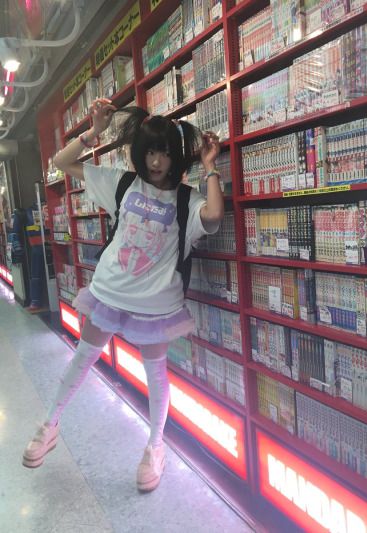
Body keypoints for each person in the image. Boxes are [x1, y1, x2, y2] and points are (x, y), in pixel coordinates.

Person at [22, 98, 224, 492]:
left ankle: (154, 446)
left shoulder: (186, 199)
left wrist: (210, 166)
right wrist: (94, 132)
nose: (156, 161)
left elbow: (214, 217)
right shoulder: (122, 183)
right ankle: (49, 423)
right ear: (139, 152)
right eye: (149, 151)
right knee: (84, 355)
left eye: (164, 153)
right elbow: (63, 163)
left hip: (157, 304)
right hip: (110, 292)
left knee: (156, 374)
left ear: (176, 156)